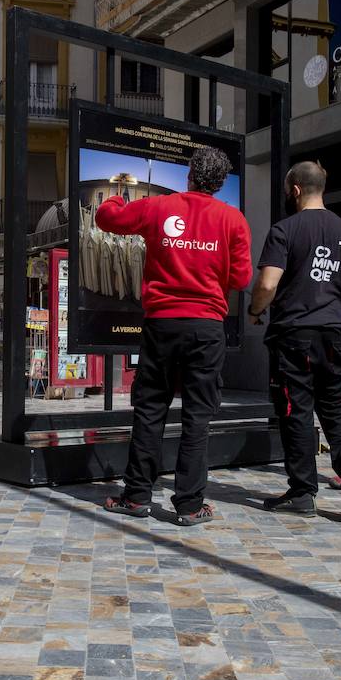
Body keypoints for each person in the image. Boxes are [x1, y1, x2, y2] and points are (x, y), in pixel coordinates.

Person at [97, 145, 252, 526]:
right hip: (207, 327)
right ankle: (189, 505)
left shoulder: (159, 208)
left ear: (189, 175)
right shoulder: (233, 220)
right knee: (198, 417)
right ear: (218, 183)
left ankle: (136, 497)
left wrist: (117, 198)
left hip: (162, 323)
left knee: (150, 410)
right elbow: (241, 279)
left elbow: (105, 218)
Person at [250, 161, 341, 519]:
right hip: (335, 336)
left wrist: (253, 311)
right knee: (339, 410)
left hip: (294, 335)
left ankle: (302, 492)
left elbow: (267, 284)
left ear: (294, 190)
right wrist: (337, 322)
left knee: (296, 411)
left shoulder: (284, 230)